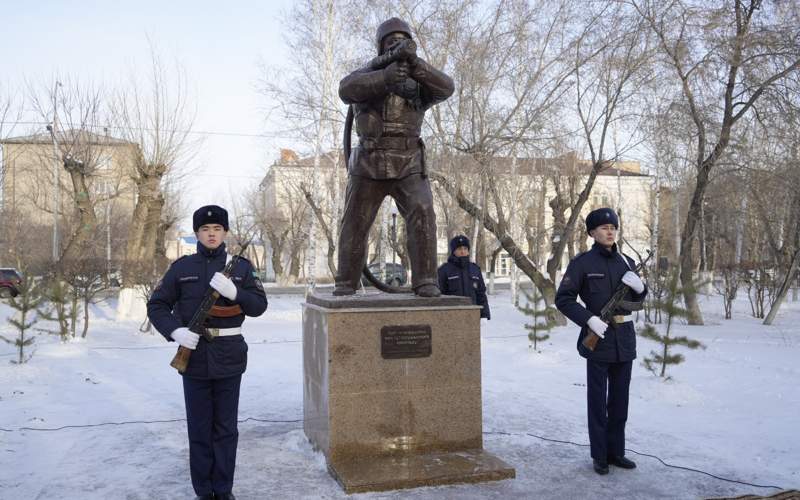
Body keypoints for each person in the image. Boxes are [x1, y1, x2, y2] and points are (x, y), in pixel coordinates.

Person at [147, 205, 268, 500]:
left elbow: (259, 306)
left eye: (217, 229)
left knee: (226, 430)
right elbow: (157, 305)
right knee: (199, 430)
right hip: (195, 356)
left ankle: (223, 490)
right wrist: (176, 332)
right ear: (197, 233)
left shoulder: (240, 267)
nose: (211, 234)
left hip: (229, 356)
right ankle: (203, 491)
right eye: (205, 229)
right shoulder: (182, 268)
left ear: (225, 232)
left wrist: (235, 292)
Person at [334, 17, 454, 297]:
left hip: (409, 160)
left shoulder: (419, 81)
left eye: (402, 41)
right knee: (355, 220)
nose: (397, 45)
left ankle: (425, 280)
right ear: (381, 48)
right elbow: (345, 89)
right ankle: (346, 281)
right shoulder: (365, 76)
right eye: (391, 42)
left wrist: (416, 65)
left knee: (423, 211)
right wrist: (384, 77)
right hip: (369, 160)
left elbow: (446, 88)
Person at [554, 208, 647, 475]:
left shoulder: (627, 262)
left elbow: (638, 301)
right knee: (597, 403)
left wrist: (642, 289)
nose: (610, 232)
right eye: (604, 228)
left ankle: (617, 452)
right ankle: (600, 455)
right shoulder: (582, 263)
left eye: (613, 227)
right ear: (593, 233)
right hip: (598, 339)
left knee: (620, 402)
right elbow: (564, 299)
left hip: (624, 341)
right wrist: (589, 320)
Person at [437, 235, 490, 319]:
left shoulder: (475, 269)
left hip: (473, 315)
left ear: (468, 251)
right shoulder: (444, 270)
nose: (462, 251)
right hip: (452, 316)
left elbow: (481, 294)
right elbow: (440, 296)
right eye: (459, 249)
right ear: (453, 251)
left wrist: (484, 315)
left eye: (465, 249)